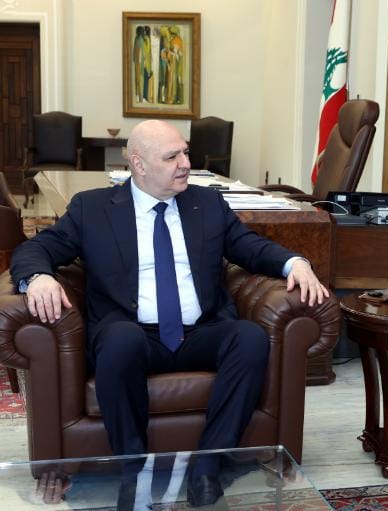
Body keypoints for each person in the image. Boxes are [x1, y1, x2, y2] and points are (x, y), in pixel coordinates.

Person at [10, 119, 329, 508]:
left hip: (200, 332)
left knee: (249, 338)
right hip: (131, 333)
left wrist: (294, 263)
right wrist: (38, 277)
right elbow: (35, 249)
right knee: (120, 341)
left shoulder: (206, 203)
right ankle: (134, 469)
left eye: (186, 153)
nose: (185, 164)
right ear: (139, 164)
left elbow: (249, 246)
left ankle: (208, 465)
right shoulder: (92, 208)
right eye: (172, 156)